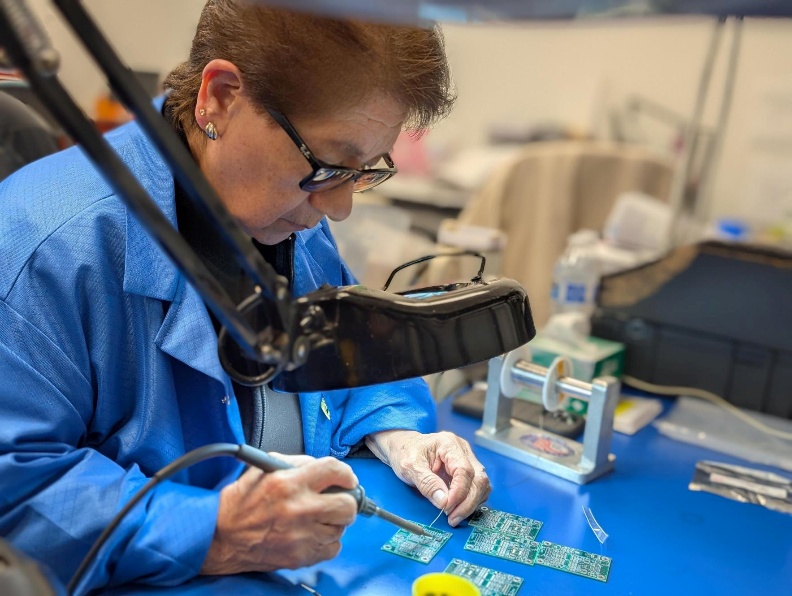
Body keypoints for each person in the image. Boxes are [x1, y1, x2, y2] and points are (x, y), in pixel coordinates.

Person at [0, 1, 491, 591]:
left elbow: (341, 357)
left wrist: (398, 435)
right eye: (330, 165)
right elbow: (18, 489)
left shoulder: (281, 209)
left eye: (365, 169)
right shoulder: (44, 247)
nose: (340, 207)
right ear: (222, 97)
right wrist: (211, 530)